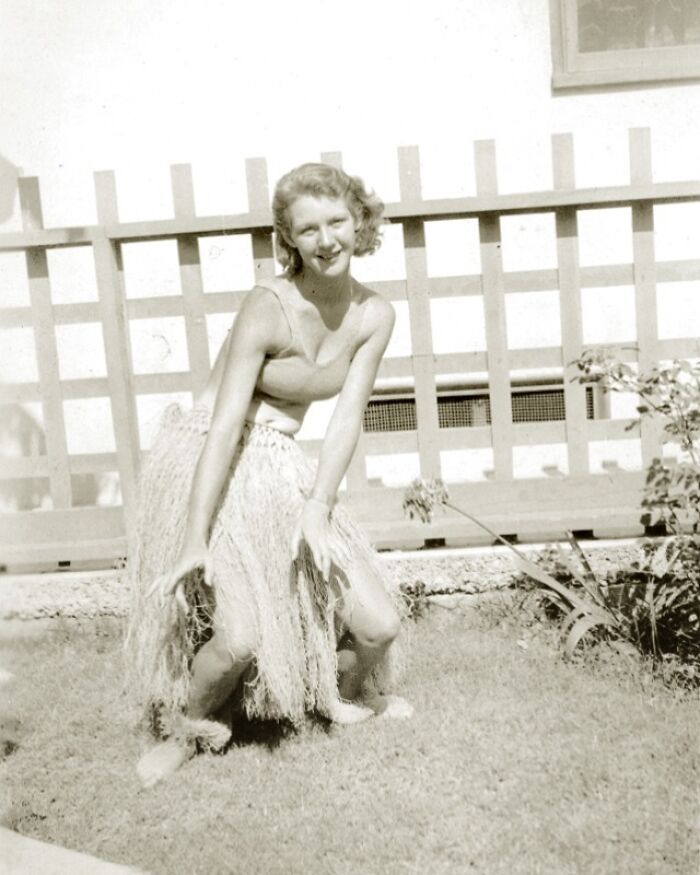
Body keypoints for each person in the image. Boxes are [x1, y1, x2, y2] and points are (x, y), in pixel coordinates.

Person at [126, 162, 412, 788]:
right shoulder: (267, 305)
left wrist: (318, 506)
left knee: (379, 625)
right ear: (289, 239)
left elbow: (344, 423)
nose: (326, 239)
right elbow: (225, 428)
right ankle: (186, 729)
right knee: (240, 640)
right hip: (212, 461)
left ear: (361, 221)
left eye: (337, 221)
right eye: (307, 229)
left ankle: (332, 693)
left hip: (282, 468)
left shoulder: (374, 315)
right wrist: (195, 536)